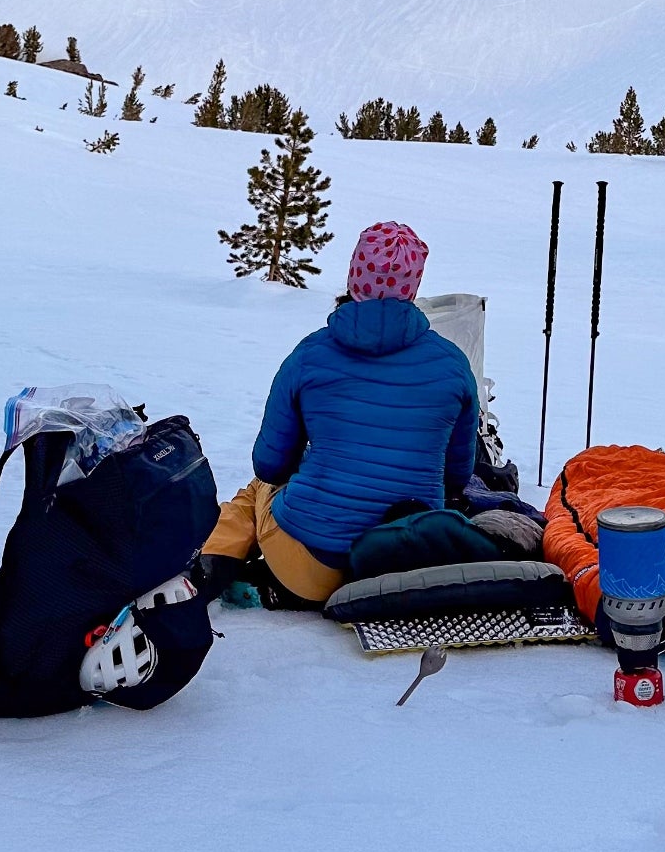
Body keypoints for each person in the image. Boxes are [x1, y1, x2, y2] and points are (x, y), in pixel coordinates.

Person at [194, 221, 478, 607]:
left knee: (256, 490)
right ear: (413, 285)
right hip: (406, 566)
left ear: (354, 275)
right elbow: (458, 476)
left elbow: (270, 466)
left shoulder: (311, 355)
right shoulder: (453, 364)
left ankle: (214, 565)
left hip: (311, 568)